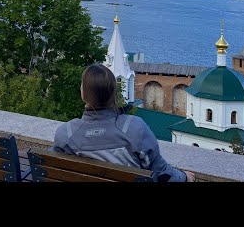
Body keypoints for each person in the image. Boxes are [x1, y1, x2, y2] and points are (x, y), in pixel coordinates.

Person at [50, 64, 196, 182]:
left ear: (83, 94)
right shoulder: (134, 129)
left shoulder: (66, 133)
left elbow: (52, 163)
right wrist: (184, 177)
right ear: (114, 93)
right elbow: (161, 172)